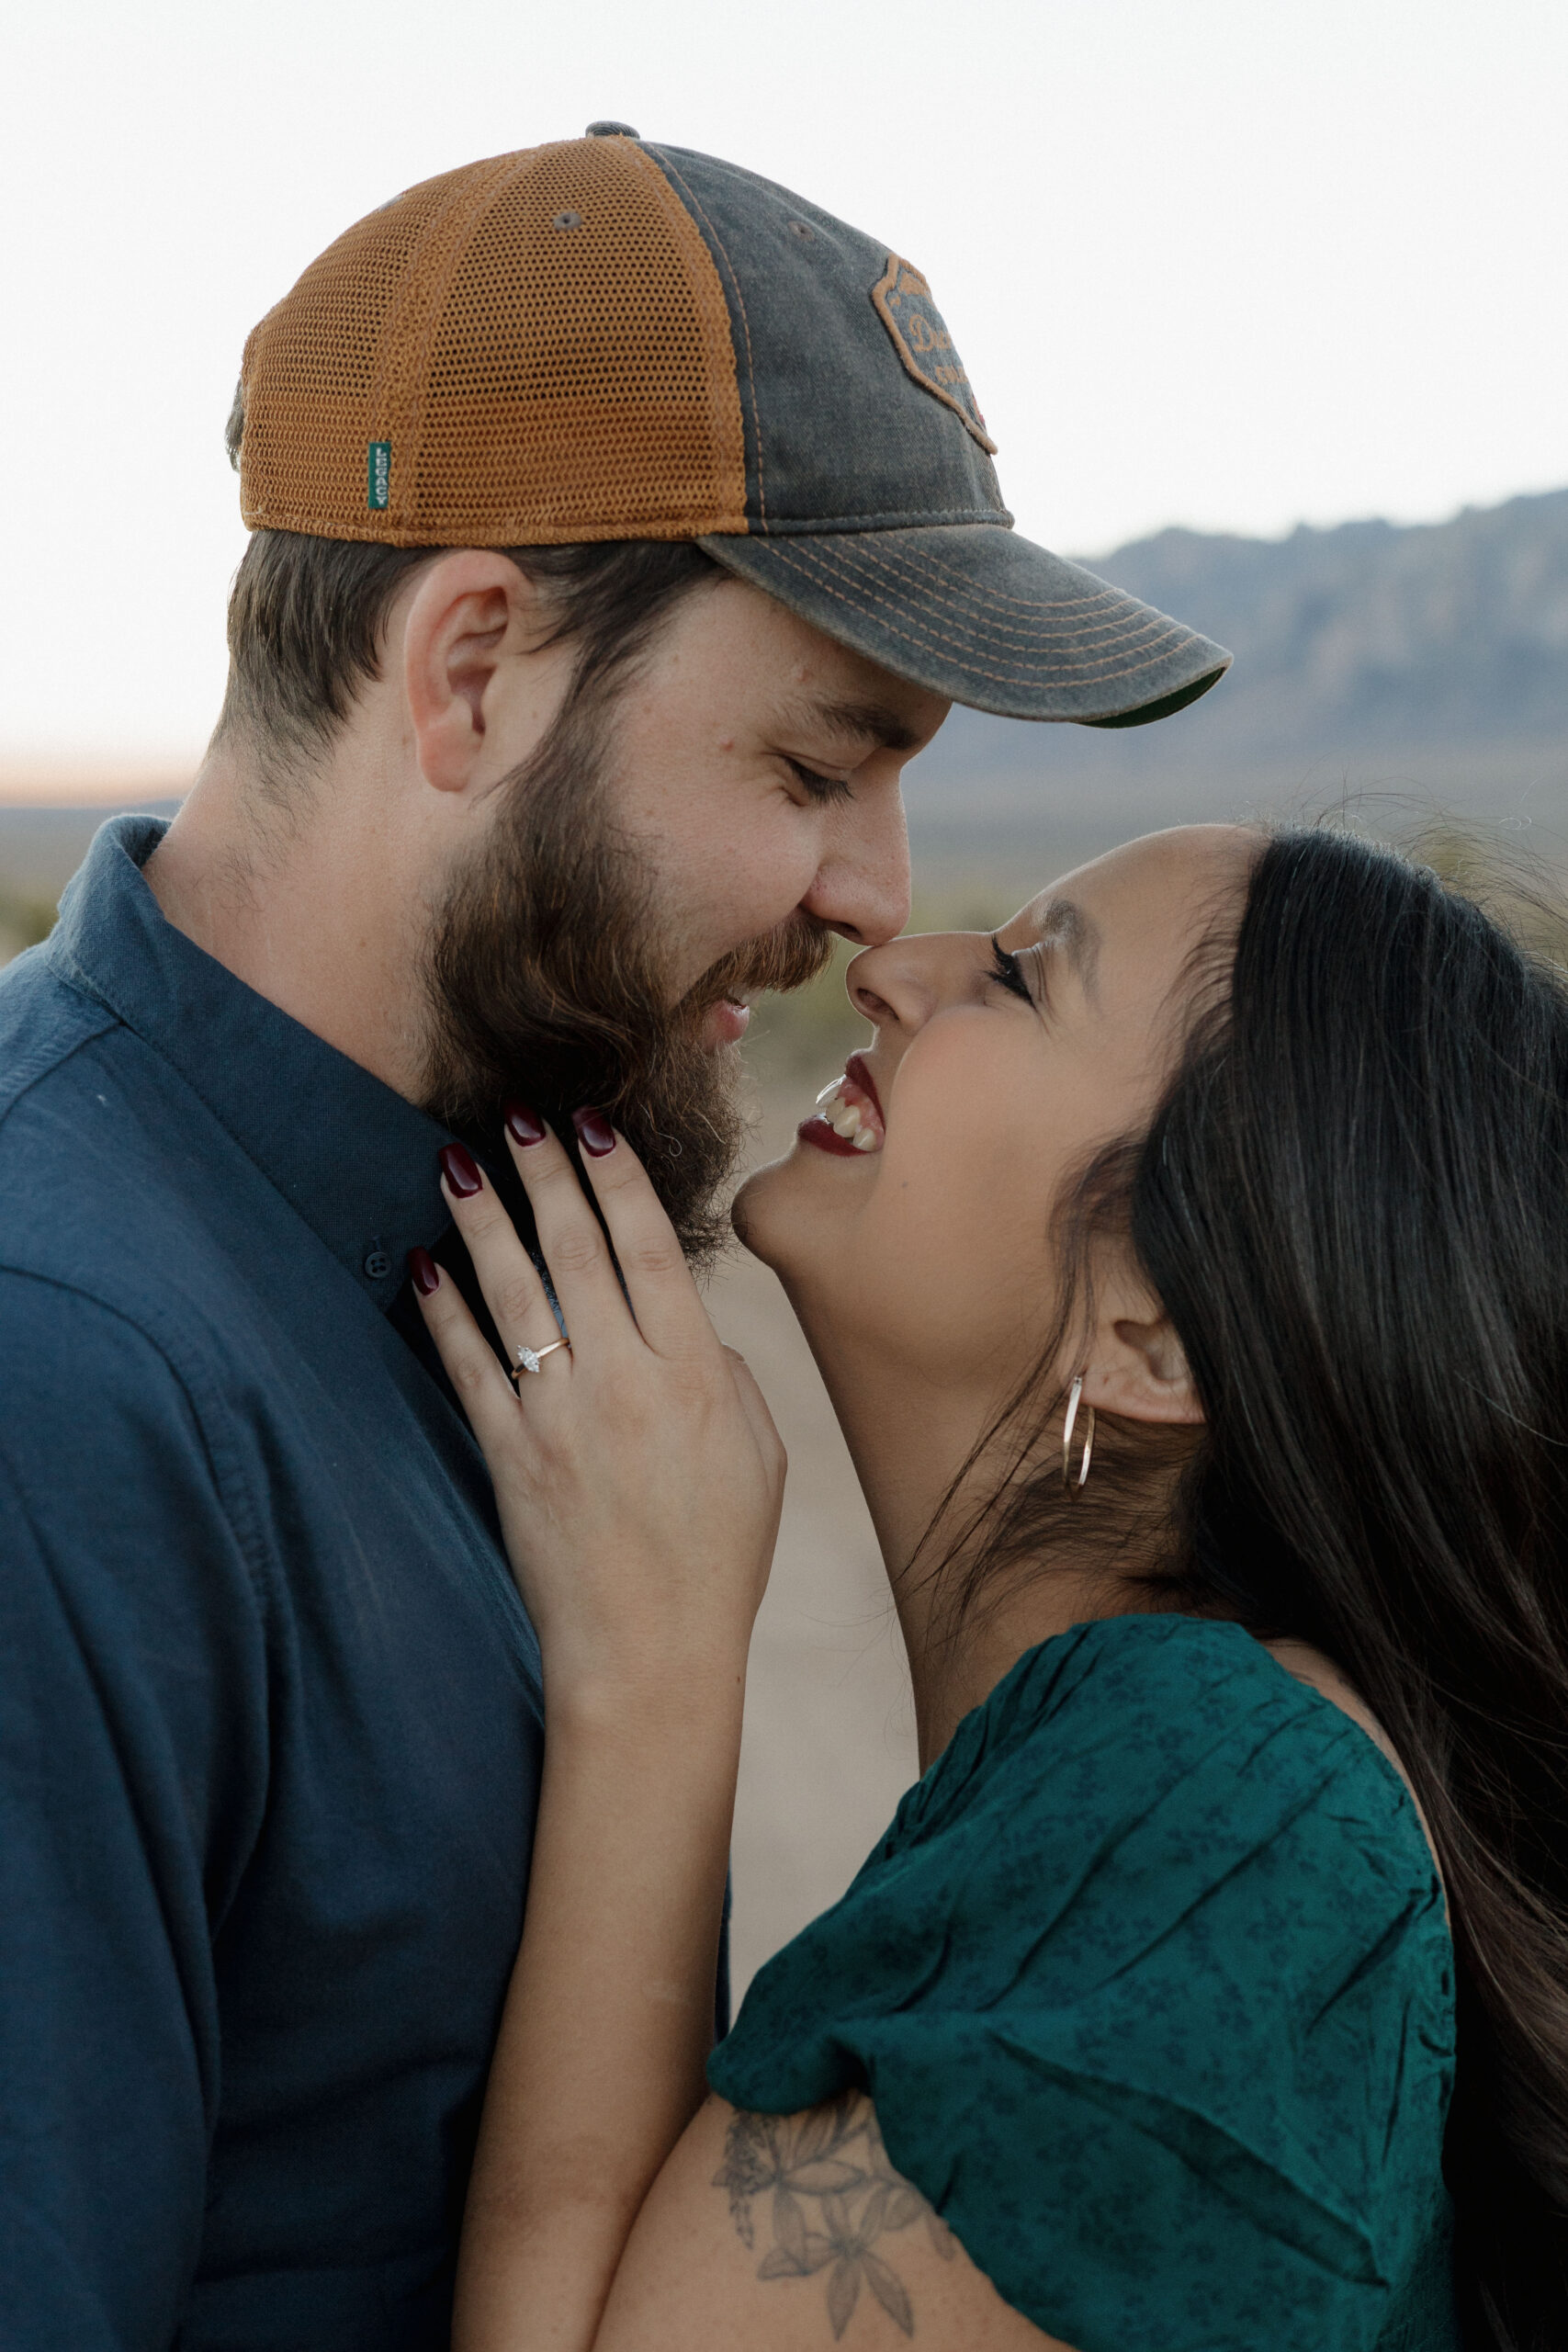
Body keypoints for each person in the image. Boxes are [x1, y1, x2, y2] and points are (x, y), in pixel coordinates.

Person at [0, 130, 1228, 2346]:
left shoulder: (499, 1255)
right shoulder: (56, 1371)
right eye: (810, 764)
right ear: (469, 671)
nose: (875, 898)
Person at [416, 820, 1568, 2351]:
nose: (889, 968)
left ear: (1155, 1335)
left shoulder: (1233, 1816)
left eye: (1021, 981)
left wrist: (653, 1665)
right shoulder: (1168, 1781)